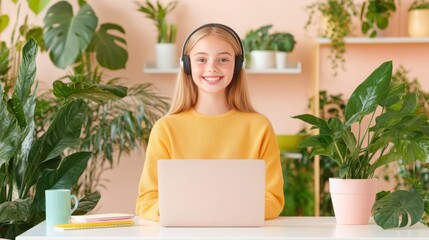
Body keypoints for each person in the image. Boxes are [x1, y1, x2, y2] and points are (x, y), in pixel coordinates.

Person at [136, 23, 284, 221]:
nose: (212, 68)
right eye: (201, 59)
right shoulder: (166, 129)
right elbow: (146, 201)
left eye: (223, 59)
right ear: (186, 66)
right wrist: (184, 211)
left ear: (238, 65)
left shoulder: (259, 127)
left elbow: (273, 200)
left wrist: (213, 211)